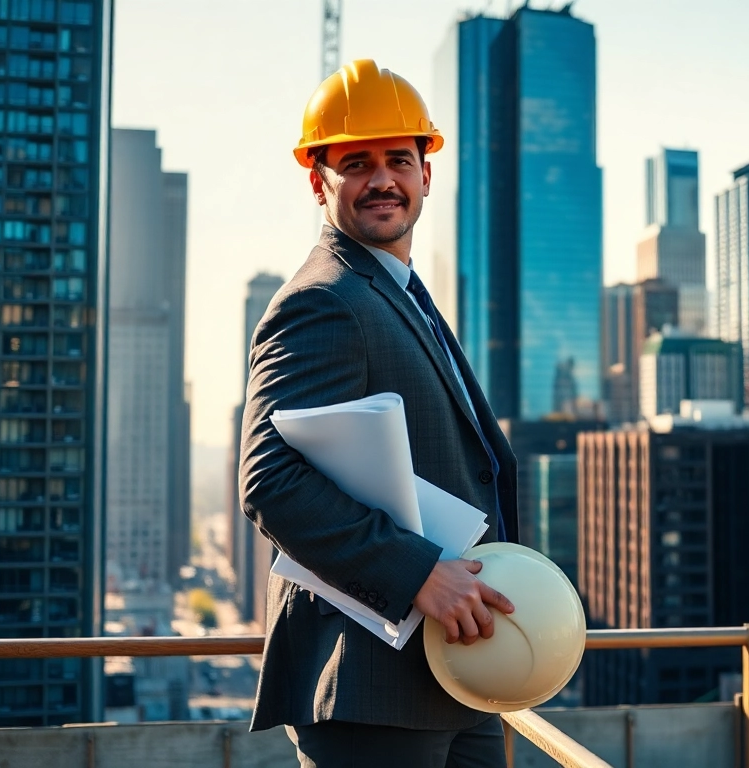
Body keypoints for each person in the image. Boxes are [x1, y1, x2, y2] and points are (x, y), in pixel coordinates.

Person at [238, 59, 517, 768]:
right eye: (356, 163)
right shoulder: (323, 299)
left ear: (427, 173)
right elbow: (269, 481)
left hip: (451, 672)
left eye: (399, 159)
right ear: (318, 181)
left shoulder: (397, 292)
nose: (383, 179)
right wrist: (417, 572)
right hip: (370, 684)